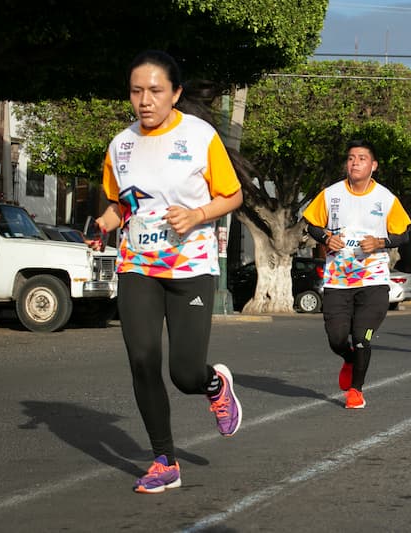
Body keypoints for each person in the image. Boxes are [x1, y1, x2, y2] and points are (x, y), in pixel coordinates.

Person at [93, 50, 245, 494]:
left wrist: (197, 214)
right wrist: (106, 221)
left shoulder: (200, 136)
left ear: (175, 93)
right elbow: (123, 201)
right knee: (142, 361)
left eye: (156, 91)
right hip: (137, 266)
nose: (145, 100)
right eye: (137, 91)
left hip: (191, 269)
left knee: (184, 373)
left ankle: (214, 384)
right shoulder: (119, 145)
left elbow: (231, 196)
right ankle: (164, 460)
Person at [303, 139, 411, 409]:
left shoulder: (385, 199)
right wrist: (326, 236)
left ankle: (356, 391)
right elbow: (312, 225)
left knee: (363, 337)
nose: (355, 162)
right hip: (338, 279)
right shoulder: (331, 194)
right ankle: (348, 358)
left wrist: (380, 242)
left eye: (362, 158)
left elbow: (404, 233)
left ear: (373, 165)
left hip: (372, 280)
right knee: (337, 339)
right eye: (351, 158)